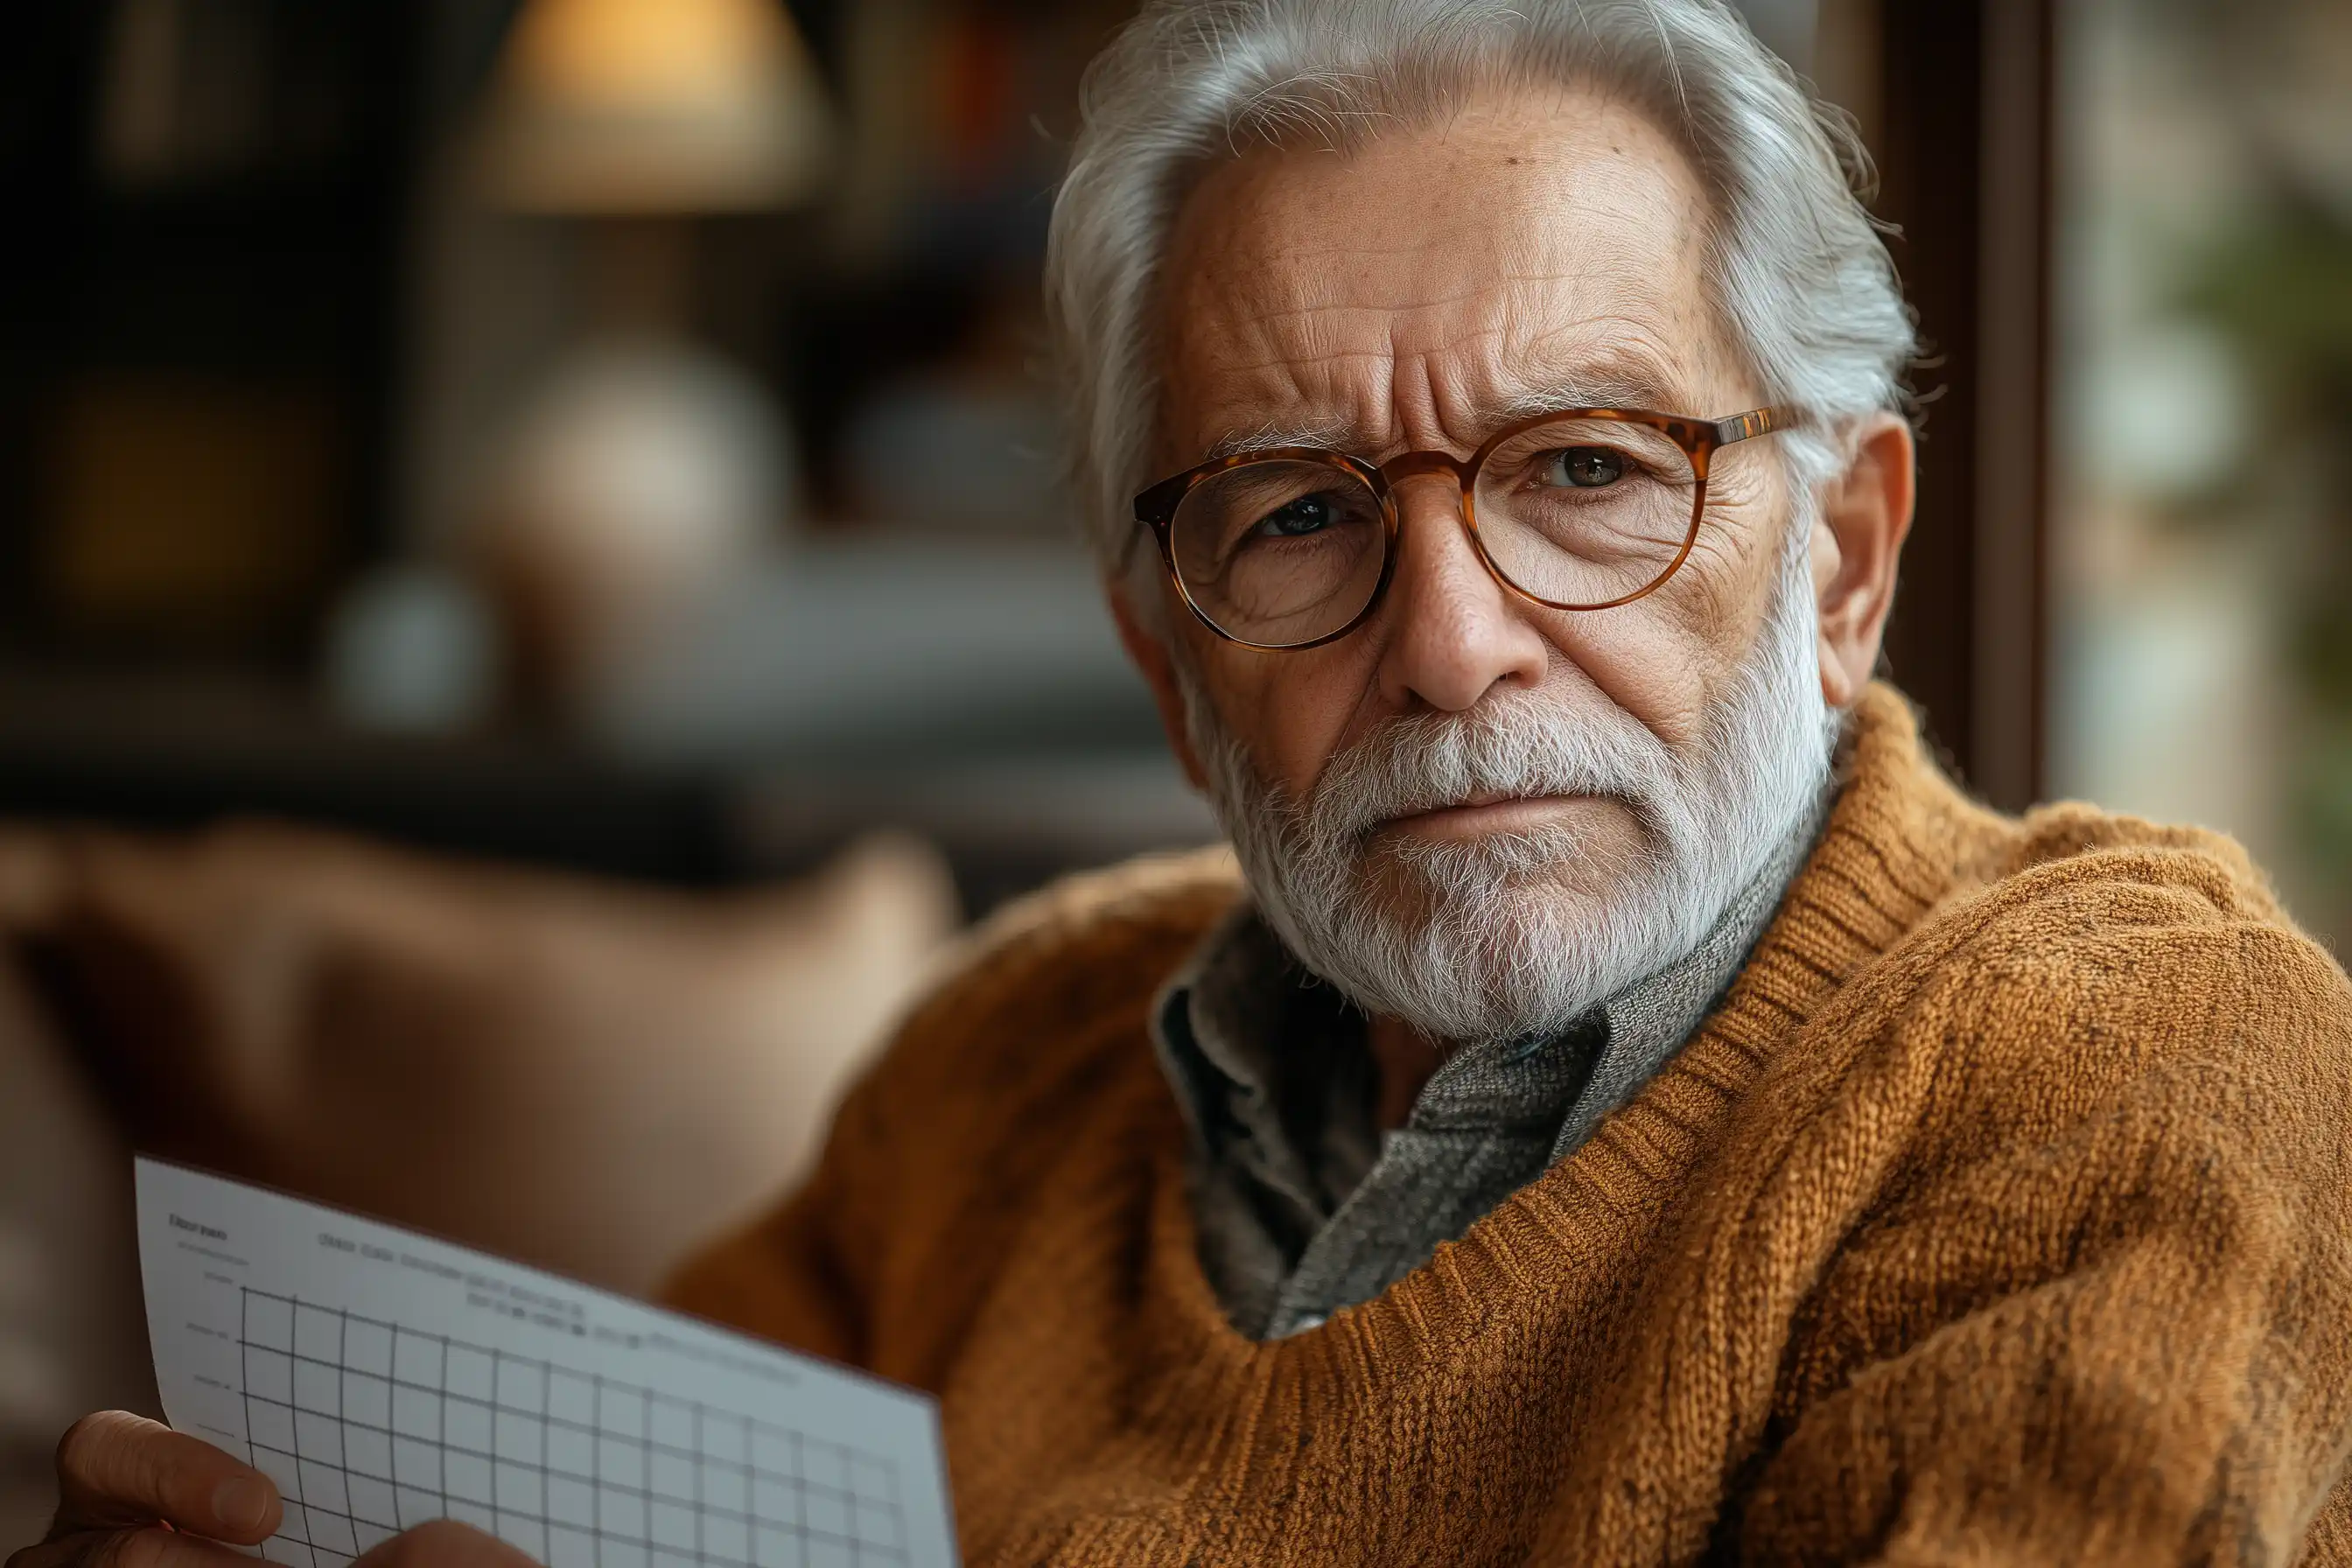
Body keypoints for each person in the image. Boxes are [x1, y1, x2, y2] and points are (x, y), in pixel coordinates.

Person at [20, 1, 2352, 1564]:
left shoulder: (2145, 1069)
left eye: (1588, 472)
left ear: (1841, 556)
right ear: (1166, 656)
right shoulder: (1003, 1067)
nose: (1448, 642)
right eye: (1297, 510)